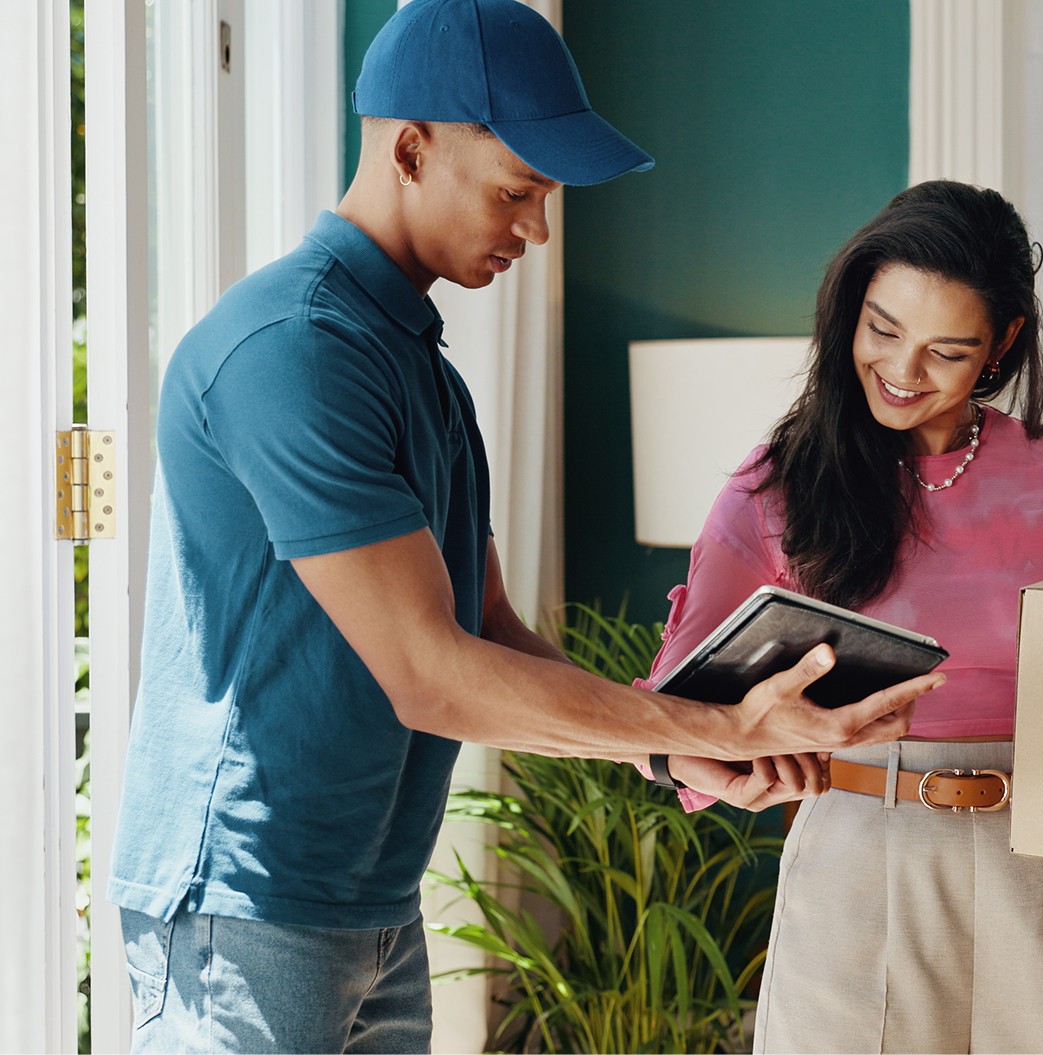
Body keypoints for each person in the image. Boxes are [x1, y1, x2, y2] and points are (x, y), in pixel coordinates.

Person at [107, 2, 936, 1051]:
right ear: (411, 148)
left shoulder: (421, 374)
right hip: (245, 904)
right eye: (517, 188)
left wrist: (668, 753)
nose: (537, 228)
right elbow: (430, 672)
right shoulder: (295, 350)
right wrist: (719, 727)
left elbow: (484, 622)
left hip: (370, 899)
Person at [640, 180, 1043, 1054]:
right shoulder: (777, 483)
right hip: (854, 869)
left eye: (946, 351)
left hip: (1033, 866)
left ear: (1001, 345)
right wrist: (716, 760)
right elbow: (675, 699)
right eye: (882, 330)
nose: (903, 373)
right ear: (850, 309)